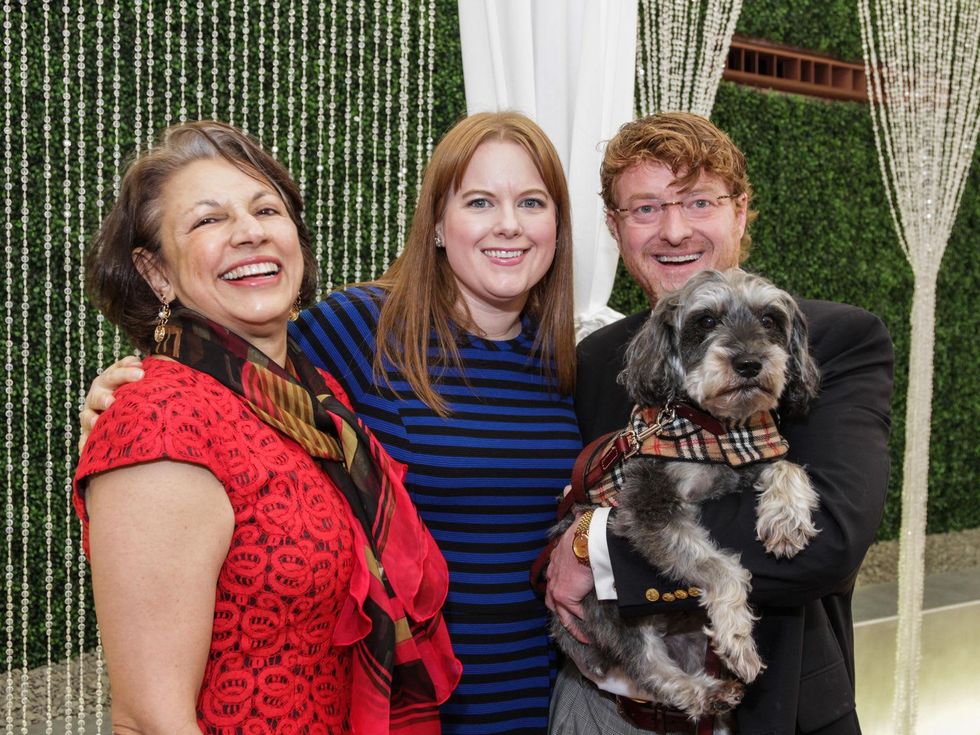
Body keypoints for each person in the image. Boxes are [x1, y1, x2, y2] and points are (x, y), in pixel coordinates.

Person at [80, 111, 581, 734]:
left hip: (542, 698)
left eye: (532, 202)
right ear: (436, 224)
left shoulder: (567, 361)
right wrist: (125, 399)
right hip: (424, 707)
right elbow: (216, 368)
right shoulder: (358, 330)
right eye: (479, 201)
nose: (508, 223)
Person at [545, 112, 894, 735]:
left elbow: (831, 541)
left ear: (741, 212)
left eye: (699, 201)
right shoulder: (597, 358)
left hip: (768, 711)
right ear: (615, 228)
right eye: (646, 208)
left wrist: (595, 551)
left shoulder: (835, 338)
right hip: (600, 708)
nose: (674, 230)